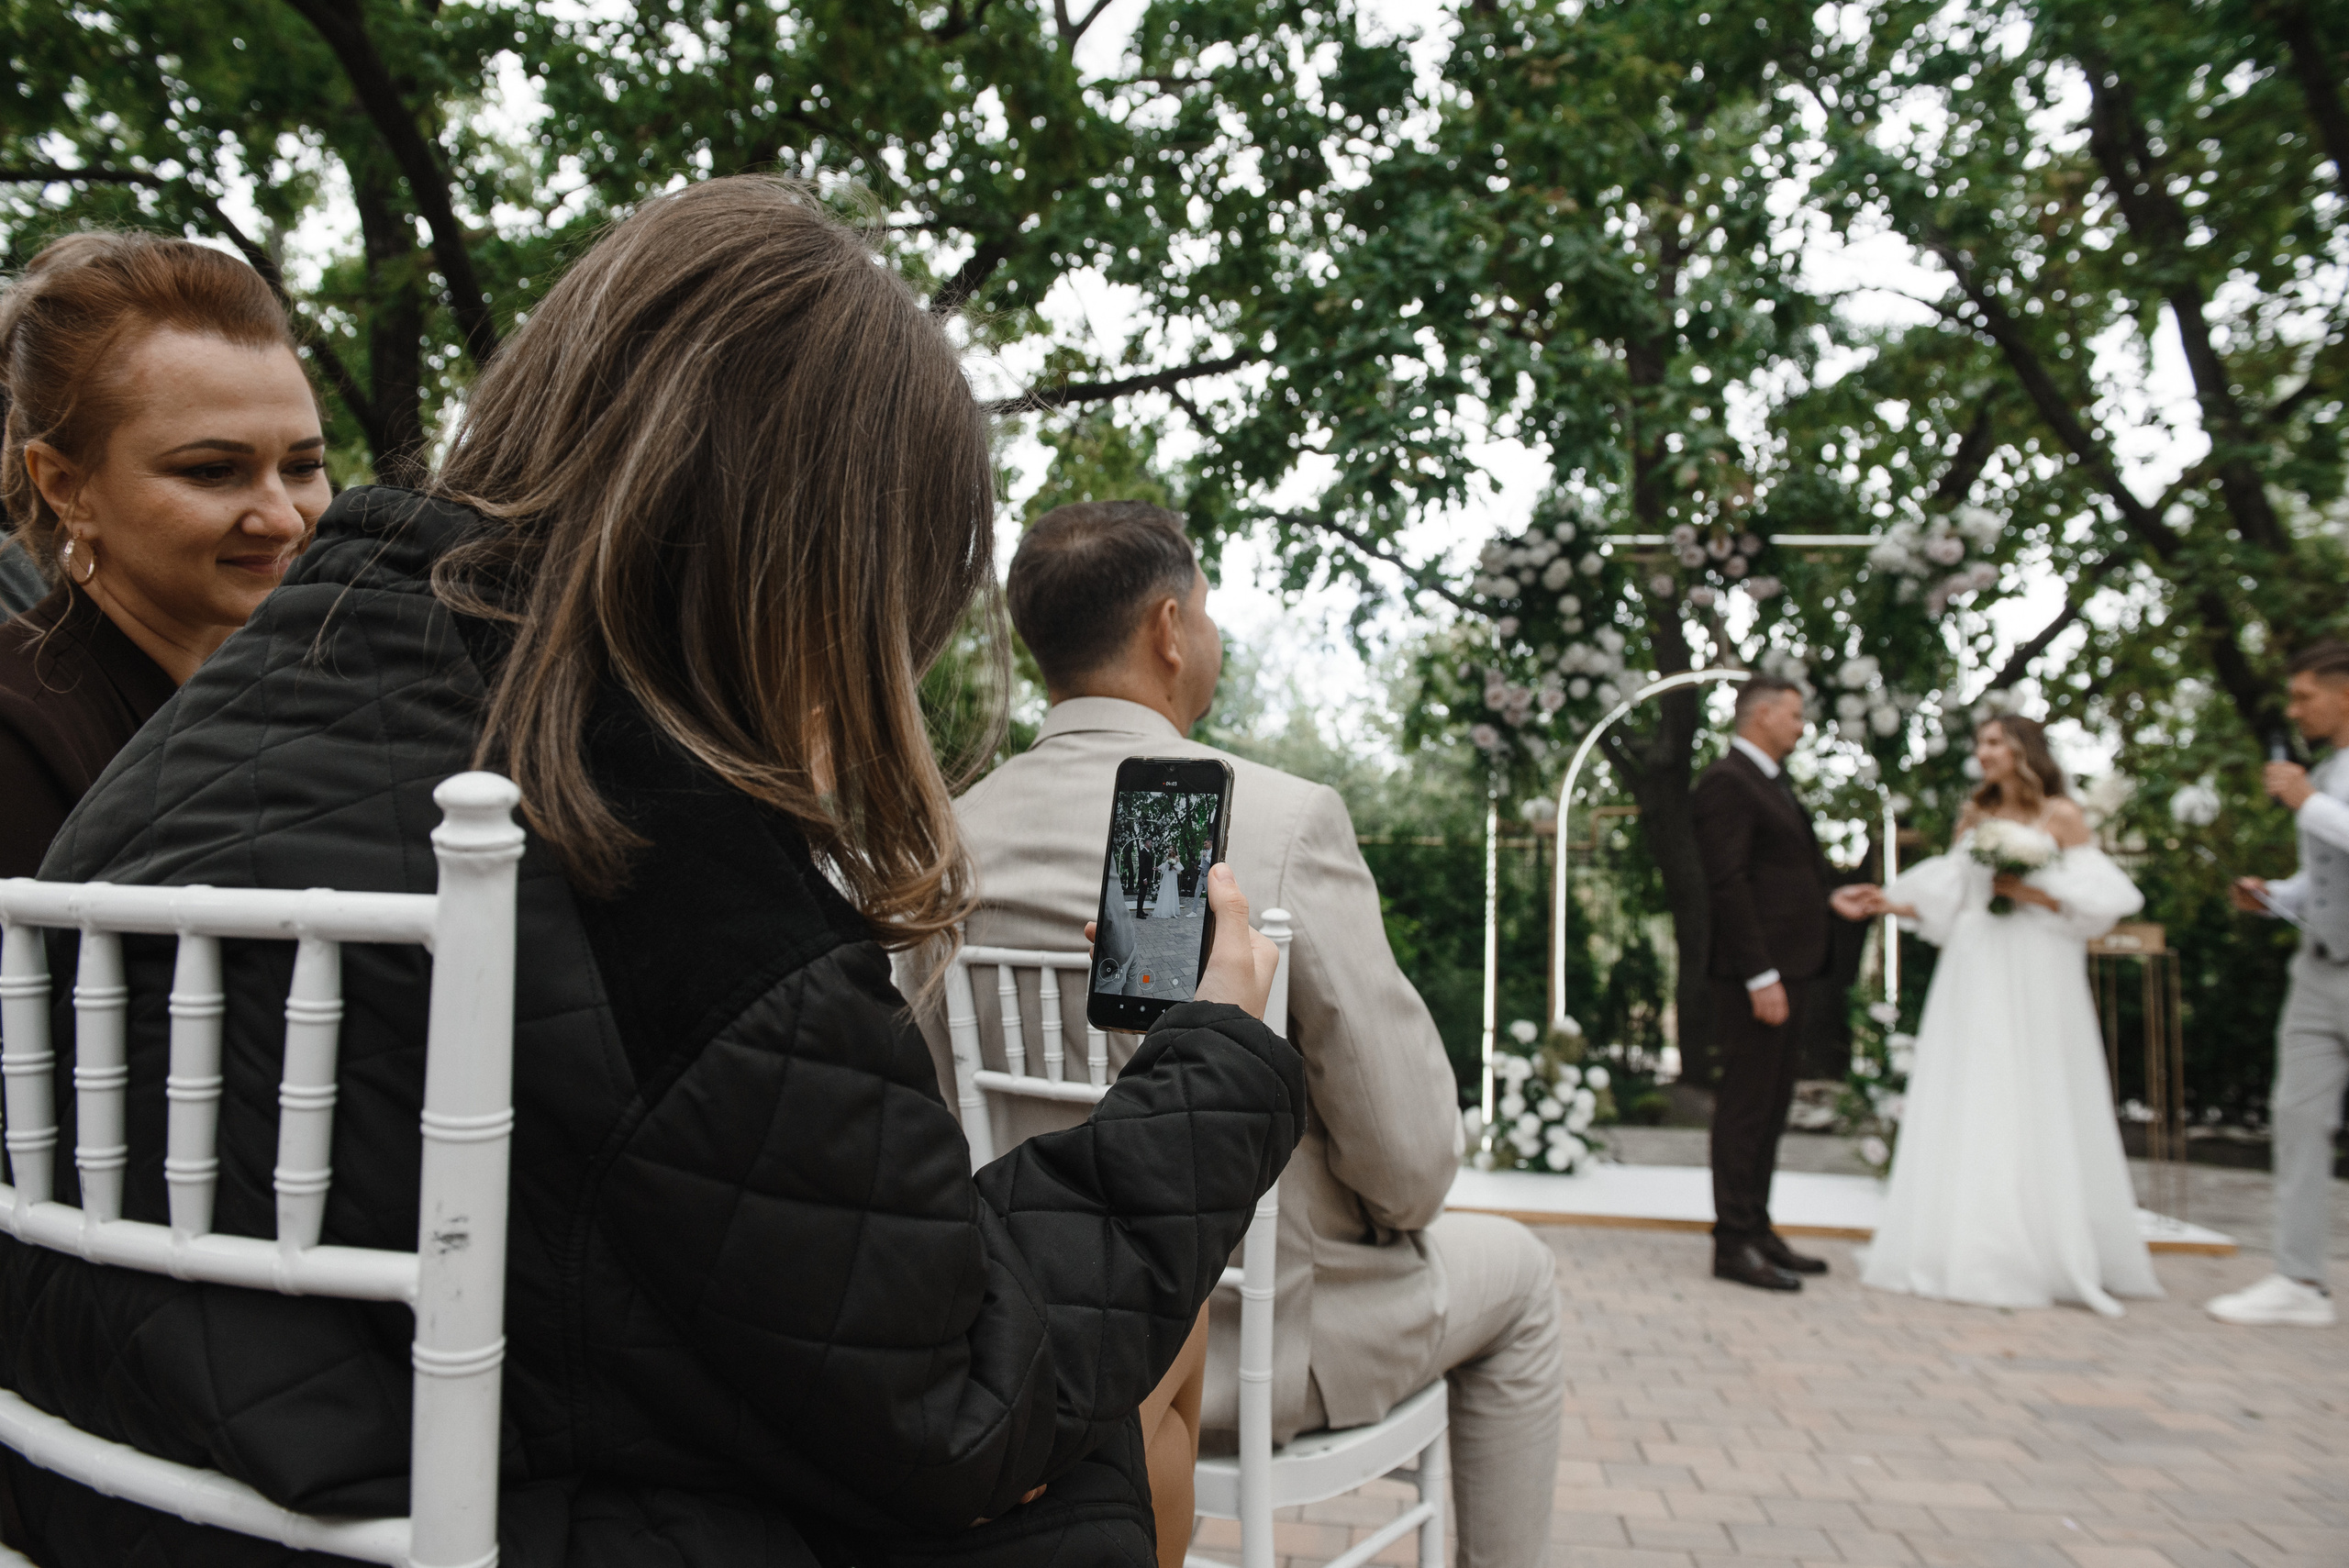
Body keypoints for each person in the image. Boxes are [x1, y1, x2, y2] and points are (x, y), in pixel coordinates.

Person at [1, 177, 1305, 1568]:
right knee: (1074, 1468)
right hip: (416, 1518)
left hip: (121, 1495)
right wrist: (1214, 1055)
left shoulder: (214, 727)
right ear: (815, 573)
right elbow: (955, 1396)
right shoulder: (640, 842)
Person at [930, 501, 1564, 1568]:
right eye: (1209, 616)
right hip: (1253, 1343)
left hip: (1027, 1342)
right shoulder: (1274, 819)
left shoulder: (943, 833)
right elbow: (1410, 1167)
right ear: (1170, 628)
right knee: (1523, 1275)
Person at [0, 230, 326, 876]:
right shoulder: (20, 733)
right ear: (67, 486)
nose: (283, 518)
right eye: (212, 471)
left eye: (303, 465)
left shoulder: (319, 697)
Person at [1857, 715, 2160, 1316]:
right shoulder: (1973, 816)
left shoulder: (2061, 816)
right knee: (1976, 1089)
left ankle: (2050, 1245)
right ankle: (1969, 1244)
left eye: (1994, 741)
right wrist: (1891, 902)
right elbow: (1950, 893)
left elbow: (2103, 901)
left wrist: (2032, 893)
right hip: (1976, 964)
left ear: (2023, 750)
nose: (1983, 752)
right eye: (1980, 742)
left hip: (2039, 964)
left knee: (2038, 1089)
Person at [1690, 675, 1880, 1291]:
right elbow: (1729, 884)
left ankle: (1757, 1225)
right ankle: (1732, 1241)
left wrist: (1832, 897)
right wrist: (1759, 973)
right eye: (1794, 715)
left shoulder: (1770, 780)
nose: (1802, 726)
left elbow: (1779, 876)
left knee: (1773, 1107)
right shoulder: (1725, 781)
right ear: (1761, 714)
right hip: (1758, 975)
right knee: (1747, 1106)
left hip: (1791, 966)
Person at [2208, 642, 2349, 1328]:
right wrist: (2274, 897)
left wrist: (2307, 801)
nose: (2295, 710)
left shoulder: (2317, 784)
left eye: (2304, 696)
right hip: (2319, 968)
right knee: (2296, 1116)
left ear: (2344, 694)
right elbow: (2325, 880)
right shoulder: (2325, 772)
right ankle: (2298, 1279)